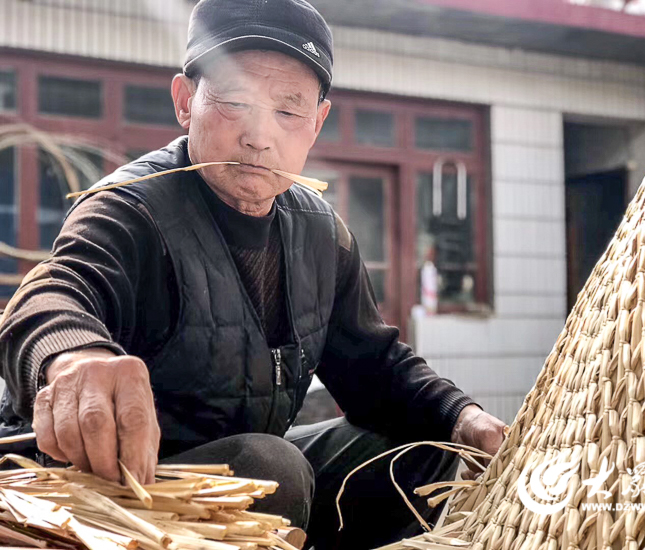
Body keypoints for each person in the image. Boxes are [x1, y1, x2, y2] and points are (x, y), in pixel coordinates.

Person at [0, 0, 506, 547]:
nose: (259, 136)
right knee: (271, 468)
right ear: (185, 101)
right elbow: (53, 293)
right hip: (107, 492)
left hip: (238, 472)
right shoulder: (132, 208)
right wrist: (76, 357)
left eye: (288, 110)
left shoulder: (322, 234)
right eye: (235, 101)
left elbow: (373, 367)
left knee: (421, 446)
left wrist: (462, 417)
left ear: (317, 121)